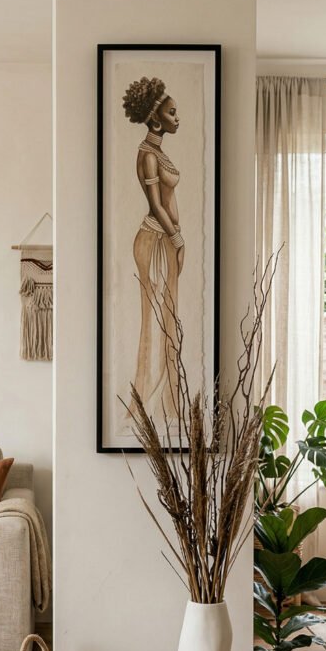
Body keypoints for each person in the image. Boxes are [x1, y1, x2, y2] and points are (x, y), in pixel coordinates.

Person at [122, 76, 184, 422]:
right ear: (156, 119)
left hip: (166, 237)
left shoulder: (158, 151)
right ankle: (151, 395)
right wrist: (176, 237)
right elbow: (156, 205)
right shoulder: (147, 155)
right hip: (155, 238)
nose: (178, 119)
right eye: (173, 113)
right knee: (157, 316)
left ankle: (167, 400)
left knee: (169, 316)